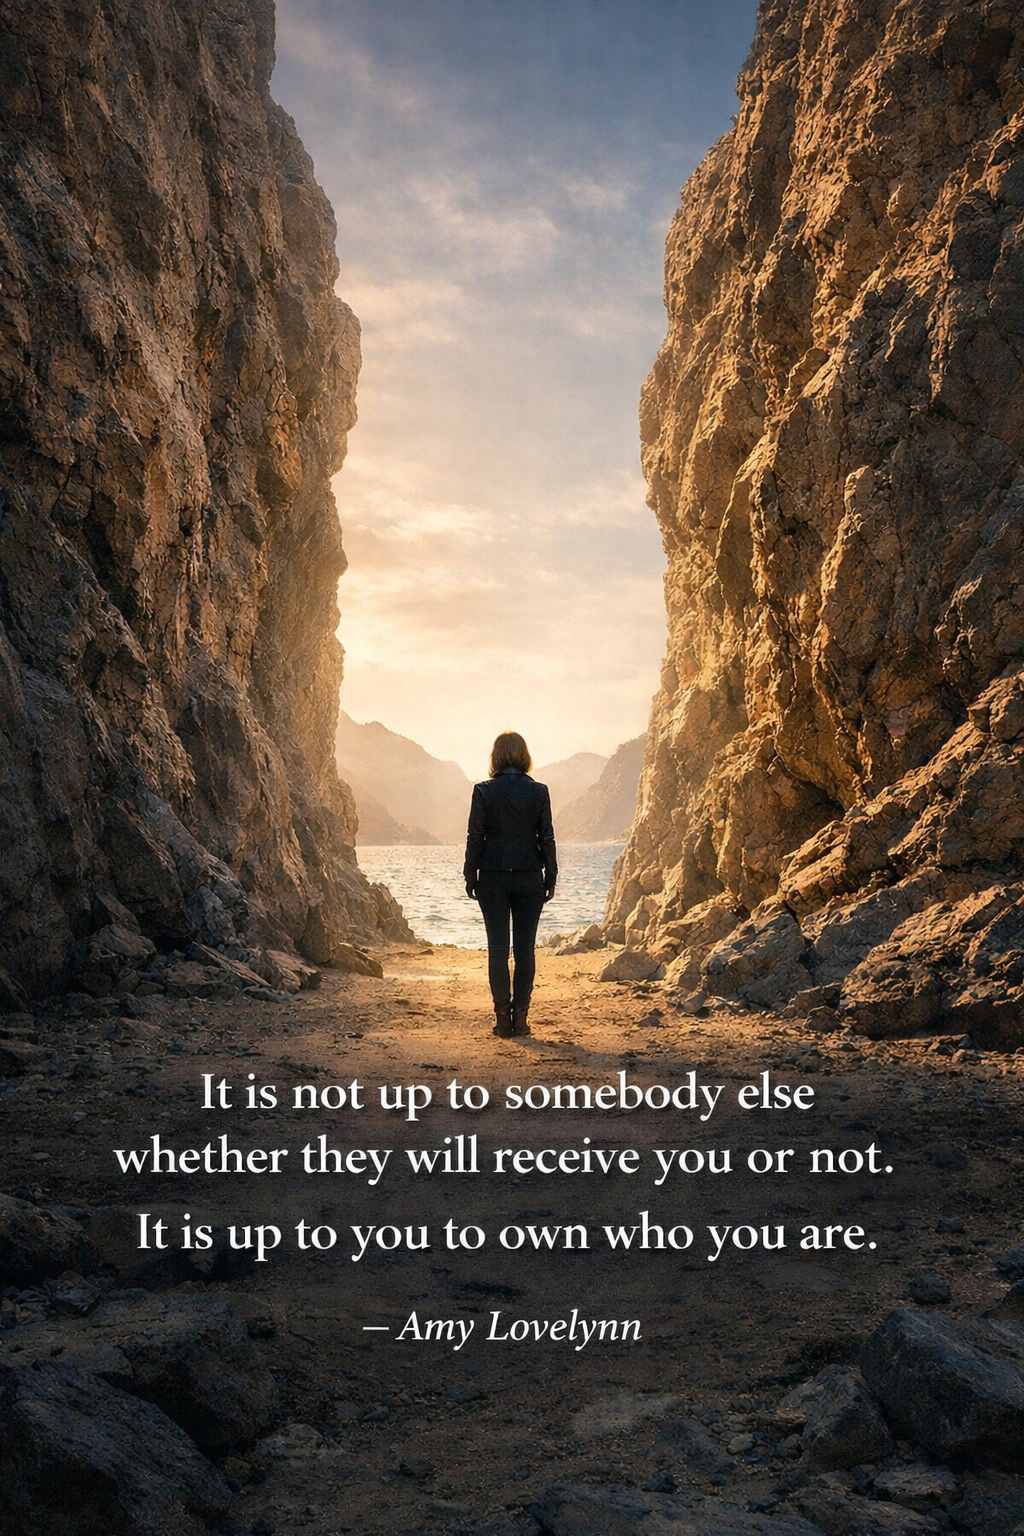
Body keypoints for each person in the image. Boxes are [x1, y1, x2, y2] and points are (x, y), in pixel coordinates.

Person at [464, 731, 557, 1038]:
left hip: (492, 876)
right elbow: (546, 838)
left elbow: (475, 837)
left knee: (498, 949)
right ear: (524, 756)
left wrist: (470, 874)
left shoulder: (483, 791)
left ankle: (503, 1019)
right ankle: (522, 1019)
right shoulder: (539, 791)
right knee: (525, 949)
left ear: (496, 757)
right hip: (530, 876)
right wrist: (551, 876)